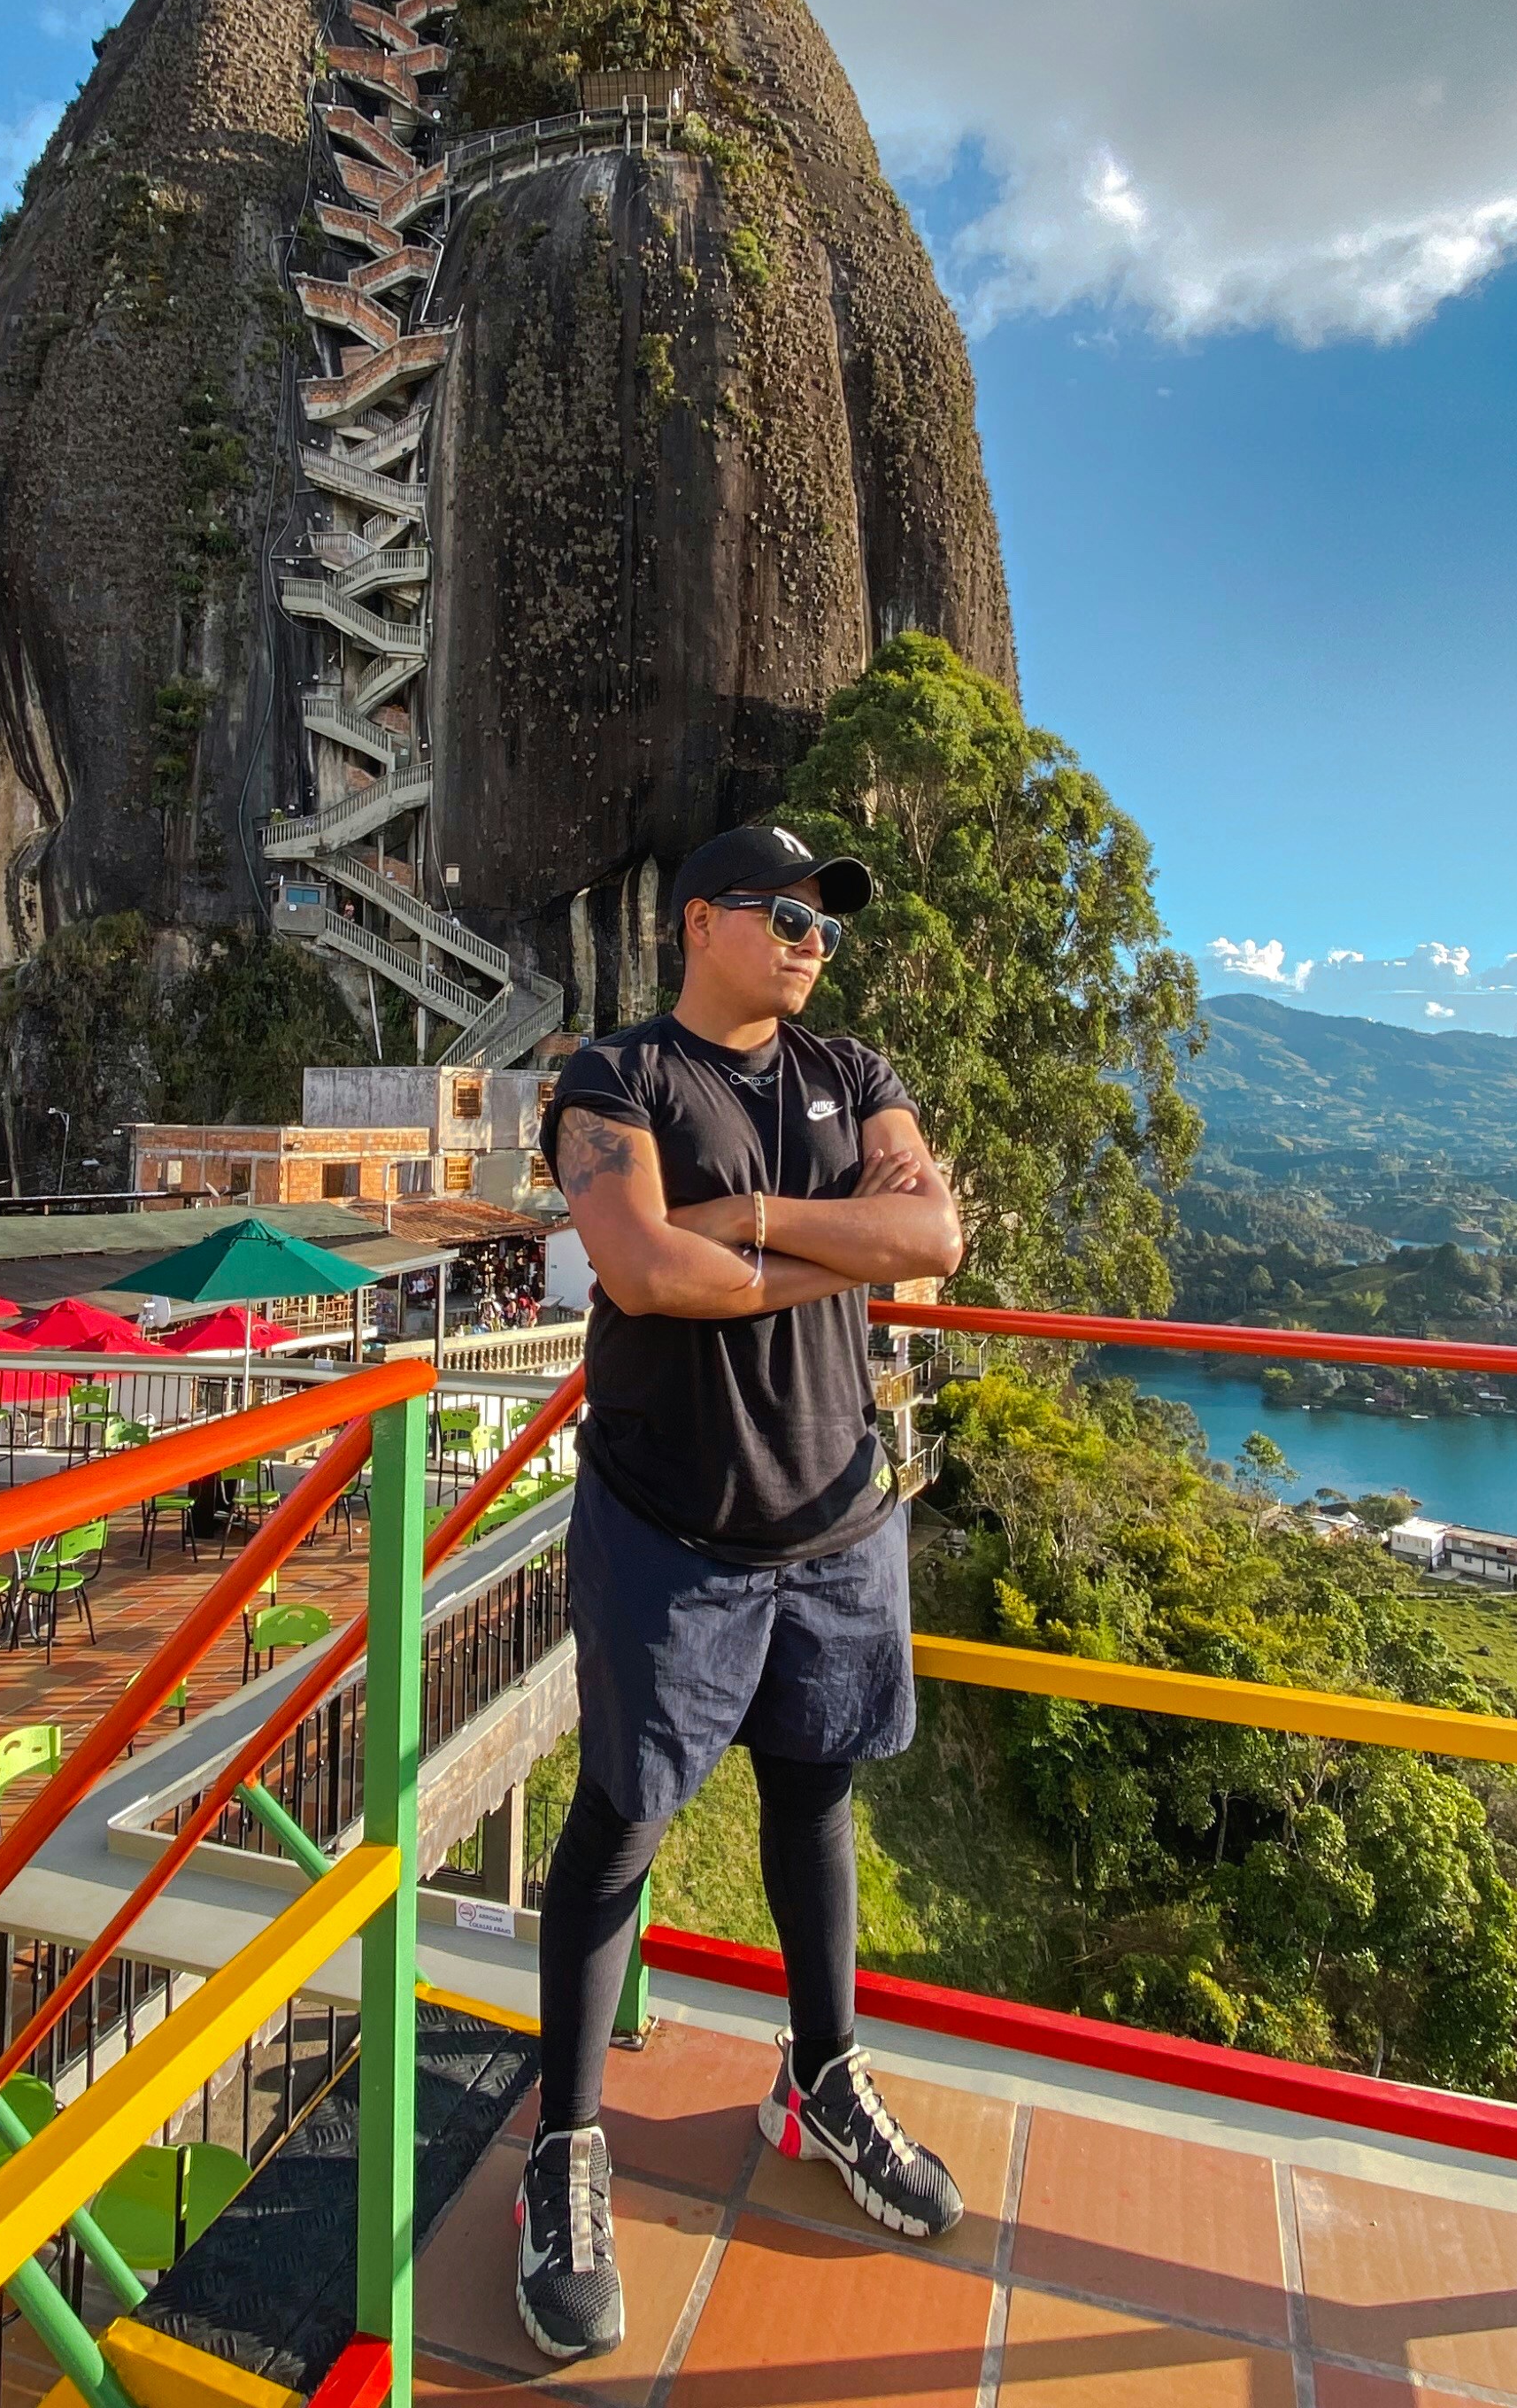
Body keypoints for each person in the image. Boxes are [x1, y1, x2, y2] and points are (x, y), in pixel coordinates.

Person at [514, 822, 970, 2360]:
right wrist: (840, 1250)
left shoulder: (857, 1070)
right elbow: (642, 1272)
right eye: (780, 914)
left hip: (837, 1520)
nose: (808, 939)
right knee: (621, 1820)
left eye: (824, 920)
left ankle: (821, 2078)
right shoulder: (615, 1079)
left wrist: (754, 1224)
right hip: (671, 1530)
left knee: (816, 1799)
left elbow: (933, 1238)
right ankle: (565, 2143)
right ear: (698, 922)